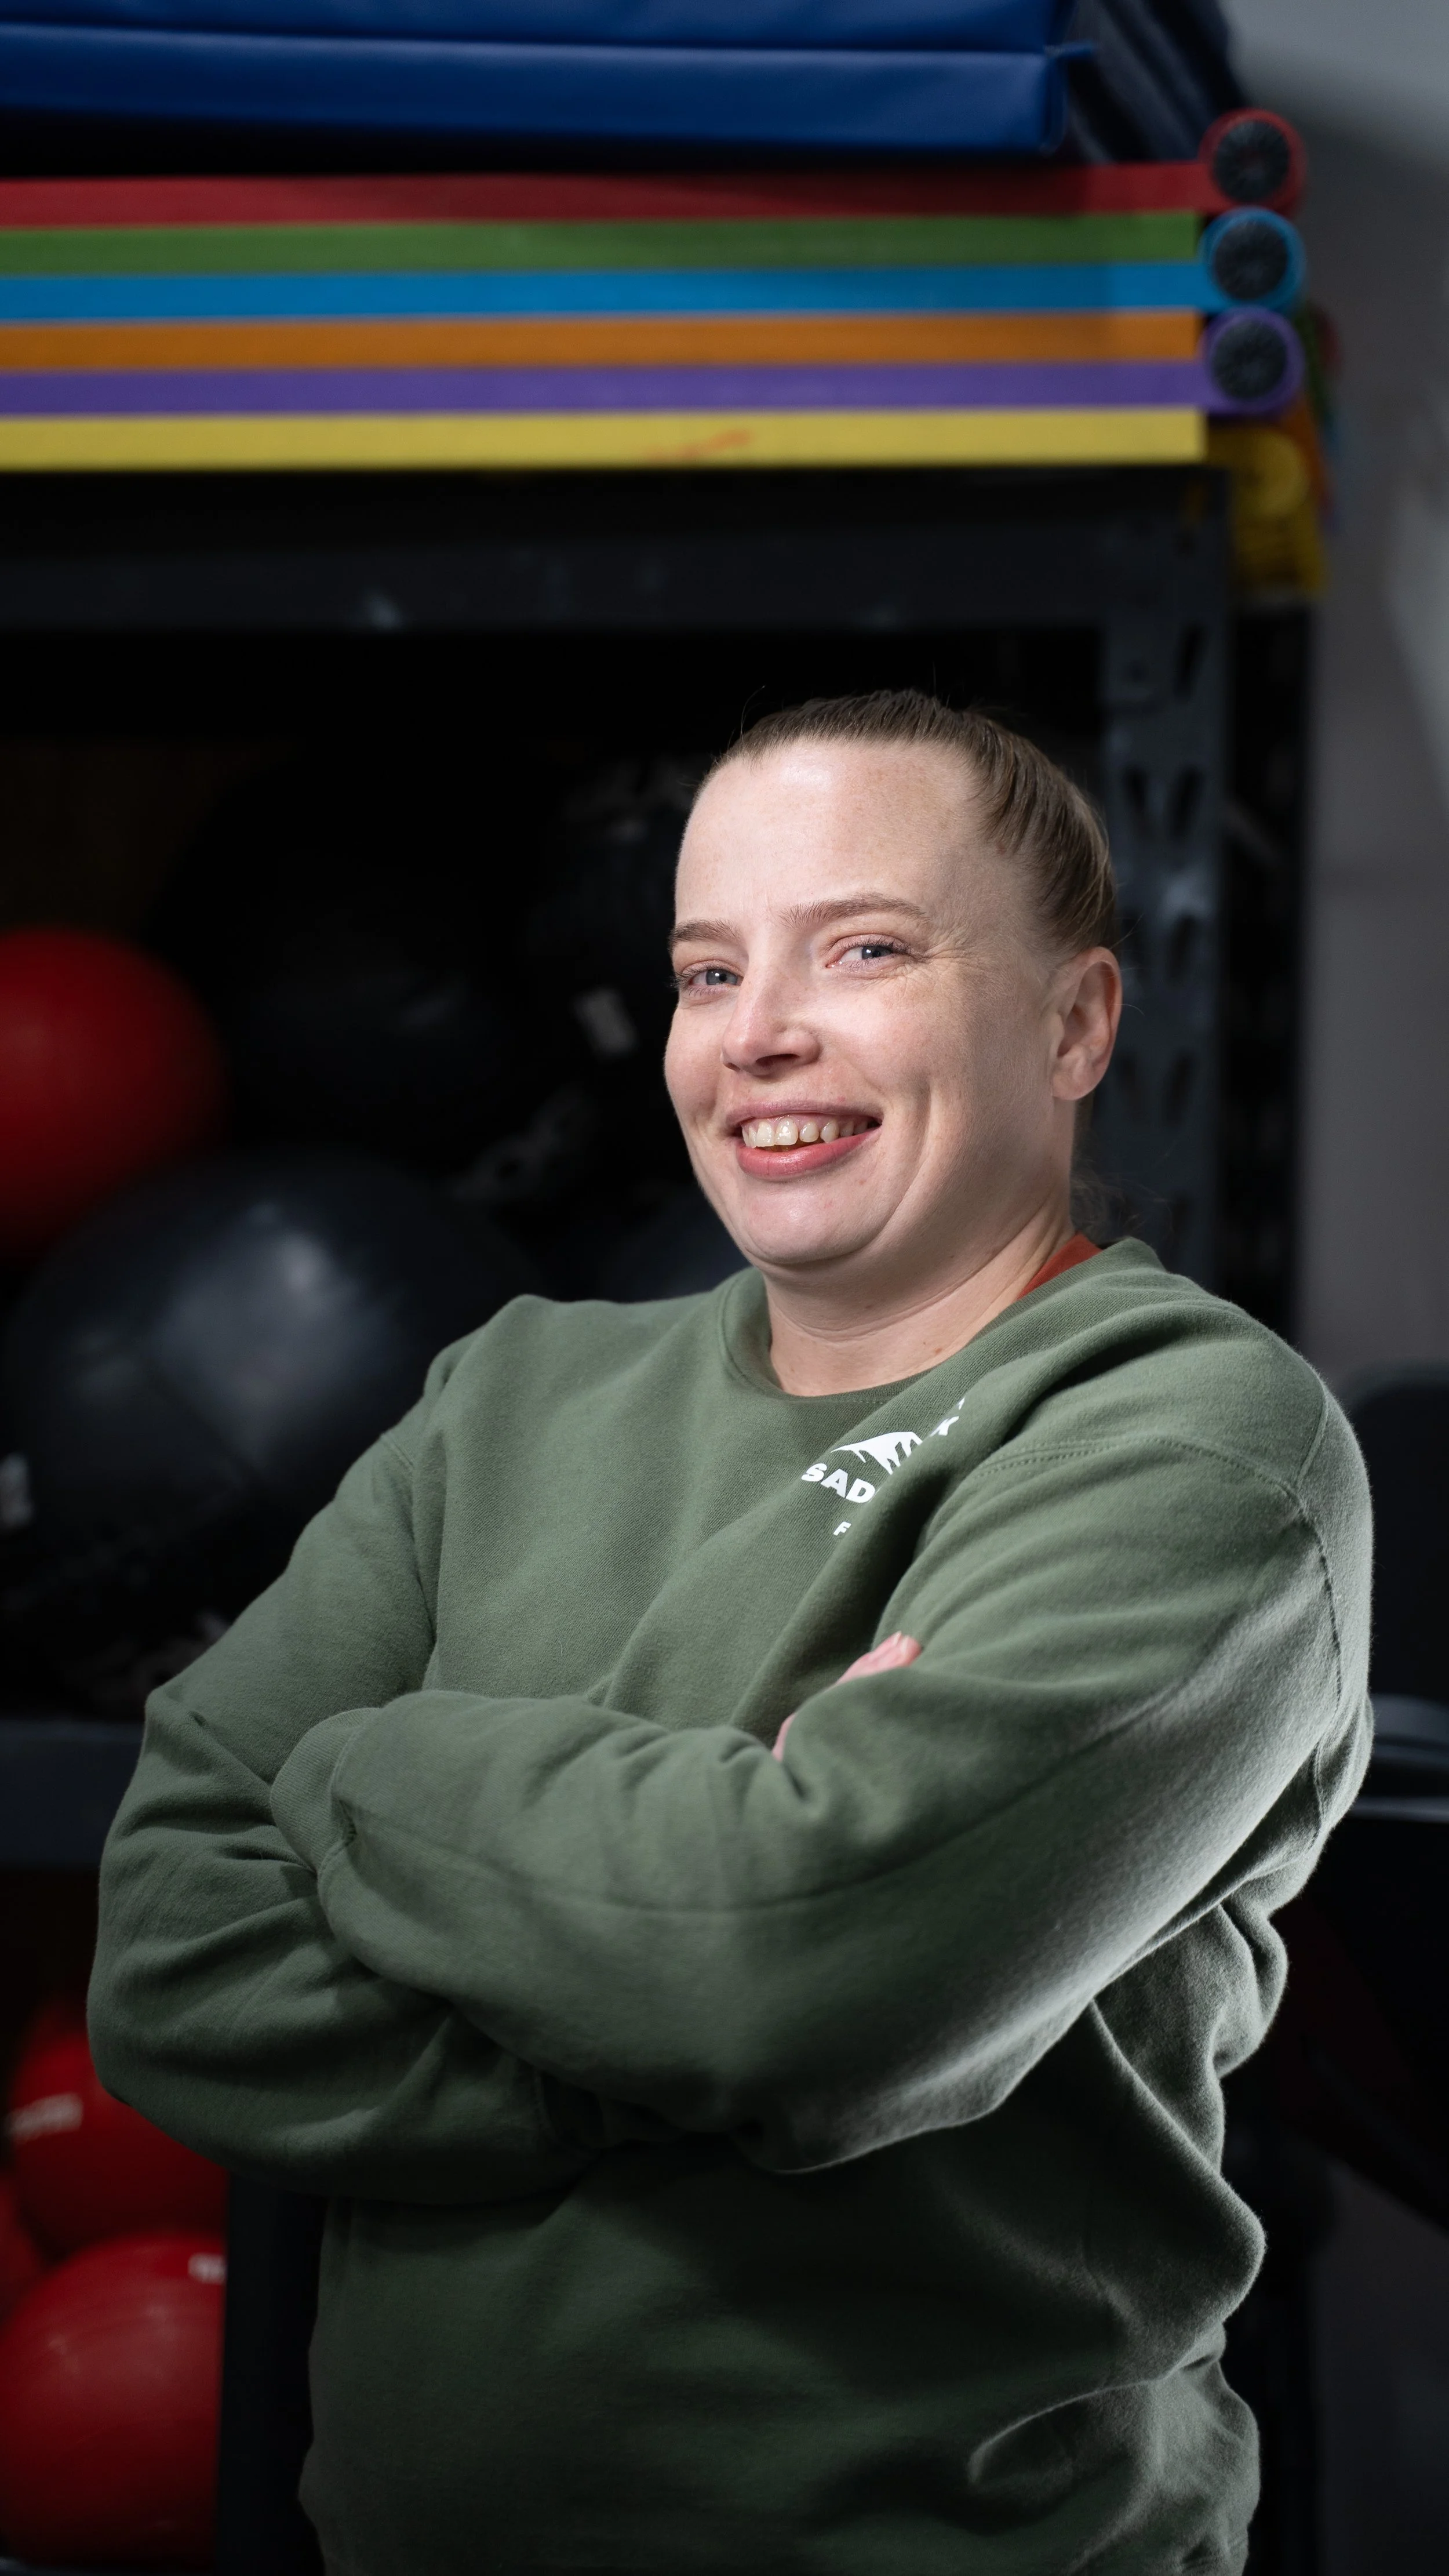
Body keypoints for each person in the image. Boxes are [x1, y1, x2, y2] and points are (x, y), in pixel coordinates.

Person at [90, 690, 1371, 2576]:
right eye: (706, 969)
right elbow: (172, 1955)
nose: (759, 1032)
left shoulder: (1190, 1443)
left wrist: (371, 1767)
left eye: (863, 948)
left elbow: (786, 1959)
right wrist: (685, 1981)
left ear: (1075, 1019)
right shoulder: (510, 1393)